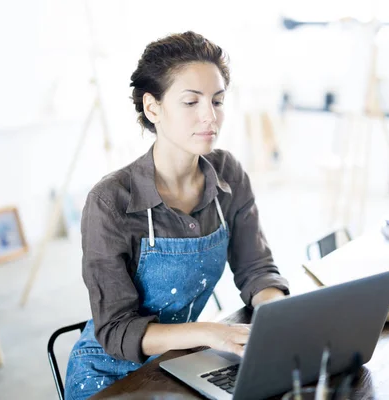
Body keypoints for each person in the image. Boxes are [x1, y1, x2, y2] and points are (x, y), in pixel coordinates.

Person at [64, 31, 290, 399]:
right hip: (111, 375)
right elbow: (117, 330)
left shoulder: (228, 175)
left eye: (217, 101)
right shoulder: (110, 202)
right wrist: (210, 333)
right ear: (152, 108)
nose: (209, 117)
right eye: (191, 102)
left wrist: (276, 315)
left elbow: (256, 269)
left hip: (184, 360)